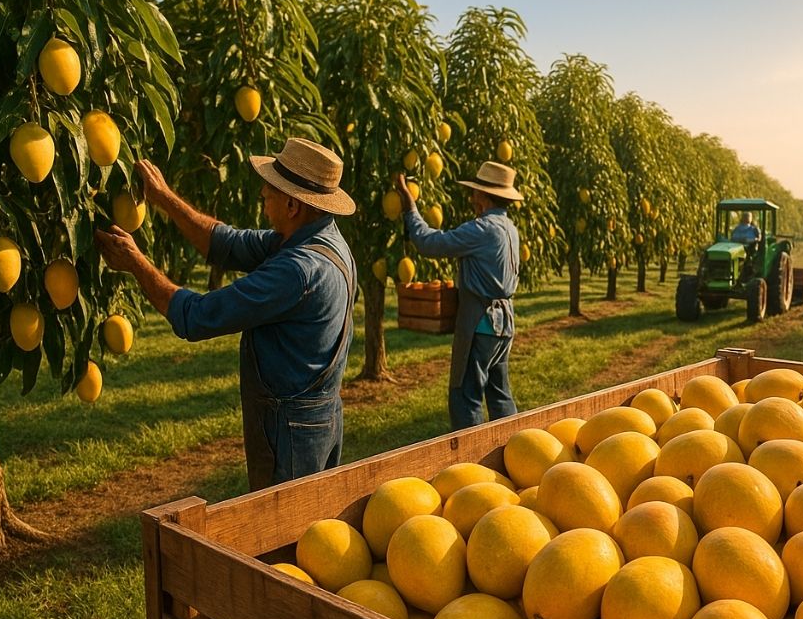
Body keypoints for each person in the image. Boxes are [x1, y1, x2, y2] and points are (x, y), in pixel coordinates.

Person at [94, 138, 358, 491]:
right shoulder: (323, 240)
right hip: (319, 419)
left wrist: (136, 263)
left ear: (293, 205)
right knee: (308, 527)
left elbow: (197, 316)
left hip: (289, 429)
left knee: (282, 533)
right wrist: (165, 199)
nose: (263, 194)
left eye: (271, 190)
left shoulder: (297, 271)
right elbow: (227, 244)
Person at [397, 161, 521, 430]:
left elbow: (430, 244)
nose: (471, 196)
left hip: (481, 324)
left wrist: (410, 208)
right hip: (504, 325)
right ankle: (514, 449)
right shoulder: (510, 228)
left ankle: (470, 462)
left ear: (484, 196)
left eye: (475, 191)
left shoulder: (483, 229)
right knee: (500, 394)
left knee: (465, 396)